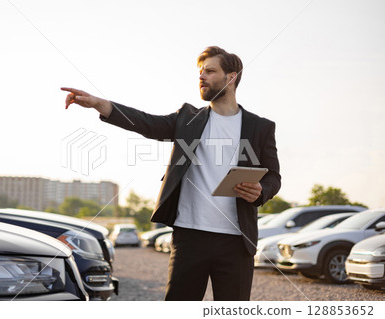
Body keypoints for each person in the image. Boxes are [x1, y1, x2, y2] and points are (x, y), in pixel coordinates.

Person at [61, 46, 281, 301]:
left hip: (236, 241)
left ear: (231, 77)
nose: (202, 77)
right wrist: (100, 104)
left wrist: (261, 191)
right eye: (200, 72)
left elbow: (273, 176)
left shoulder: (261, 127)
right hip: (189, 237)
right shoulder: (188, 118)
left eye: (210, 71)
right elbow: (146, 122)